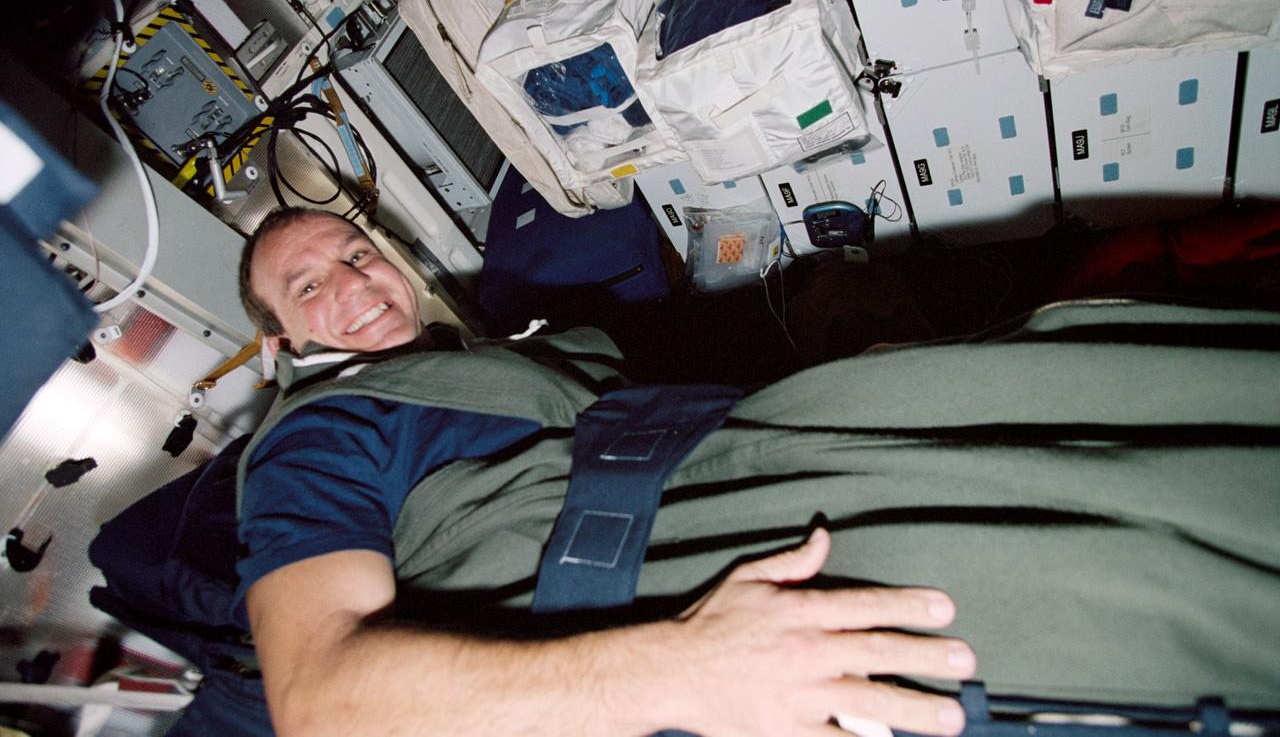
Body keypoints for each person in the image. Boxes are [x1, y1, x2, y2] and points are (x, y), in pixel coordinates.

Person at [236, 207, 1280, 737]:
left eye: (358, 252)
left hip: (751, 450)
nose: (354, 282)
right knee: (1094, 586)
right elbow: (319, 695)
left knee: (1098, 381)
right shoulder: (312, 437)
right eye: (308, 284)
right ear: (282, 345)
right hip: (653, 583)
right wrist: (675, 667)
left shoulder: (495, 357)